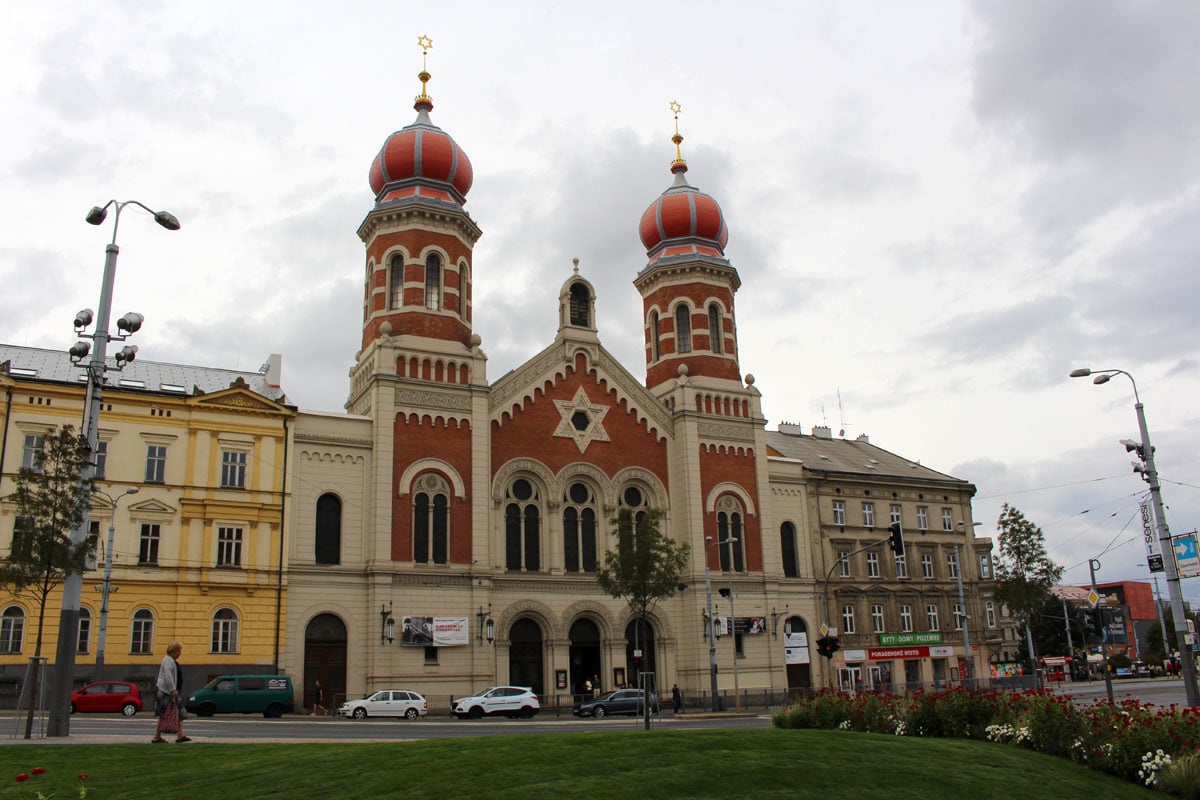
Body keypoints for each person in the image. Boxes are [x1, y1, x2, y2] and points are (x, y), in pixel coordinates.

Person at [151, 641, 190, 743]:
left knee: (171, 712)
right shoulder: (168, 661)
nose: (180, 653)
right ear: (175, 651)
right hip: (166, 691)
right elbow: (168, 676)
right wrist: (173, 689)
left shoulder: (169, 660)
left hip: (167, 690)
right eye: (179, 651)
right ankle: (160, 736)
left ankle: (178, 735)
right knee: (168, 712)